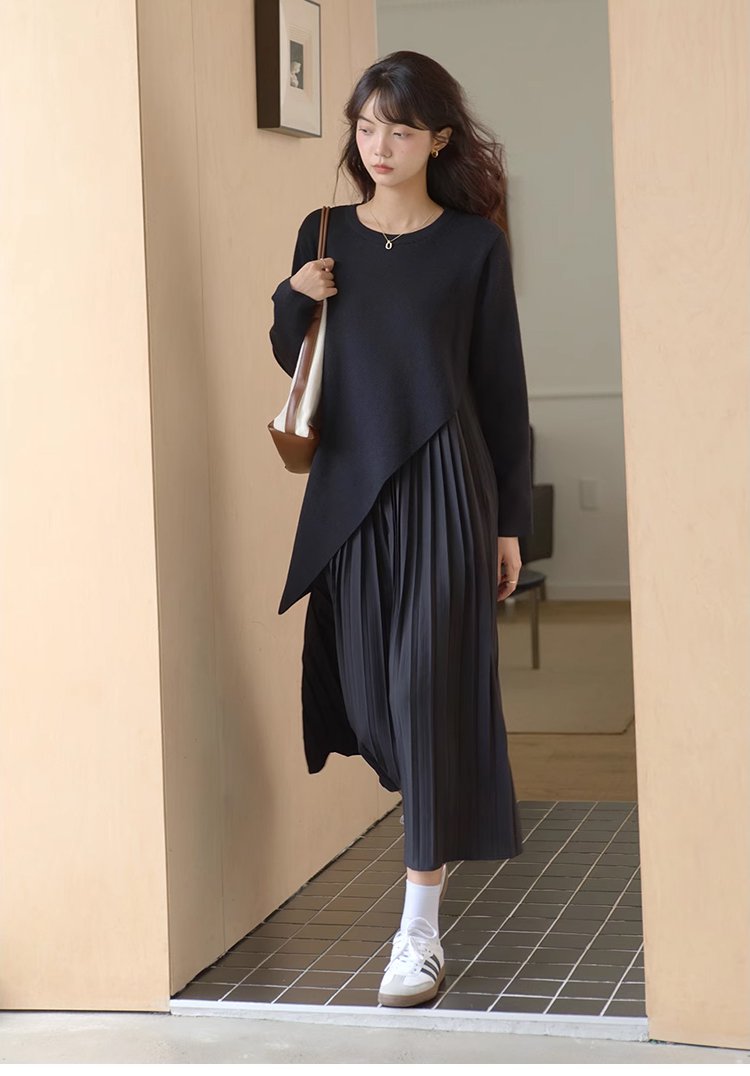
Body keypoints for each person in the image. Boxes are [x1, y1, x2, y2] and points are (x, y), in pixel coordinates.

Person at [268, 50, 533, 1009]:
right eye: (367, 126)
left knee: (426, 695)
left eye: (402, 129)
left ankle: (418, 933)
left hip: (447, 489)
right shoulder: (325, 232)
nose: (378, 146)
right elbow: (293, 357)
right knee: (376, 701)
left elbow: (502, 391)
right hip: (352, 492)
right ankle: (428, 811)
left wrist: (510, 524)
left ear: (439, 140)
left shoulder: (472, 248)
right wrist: (295, 294)